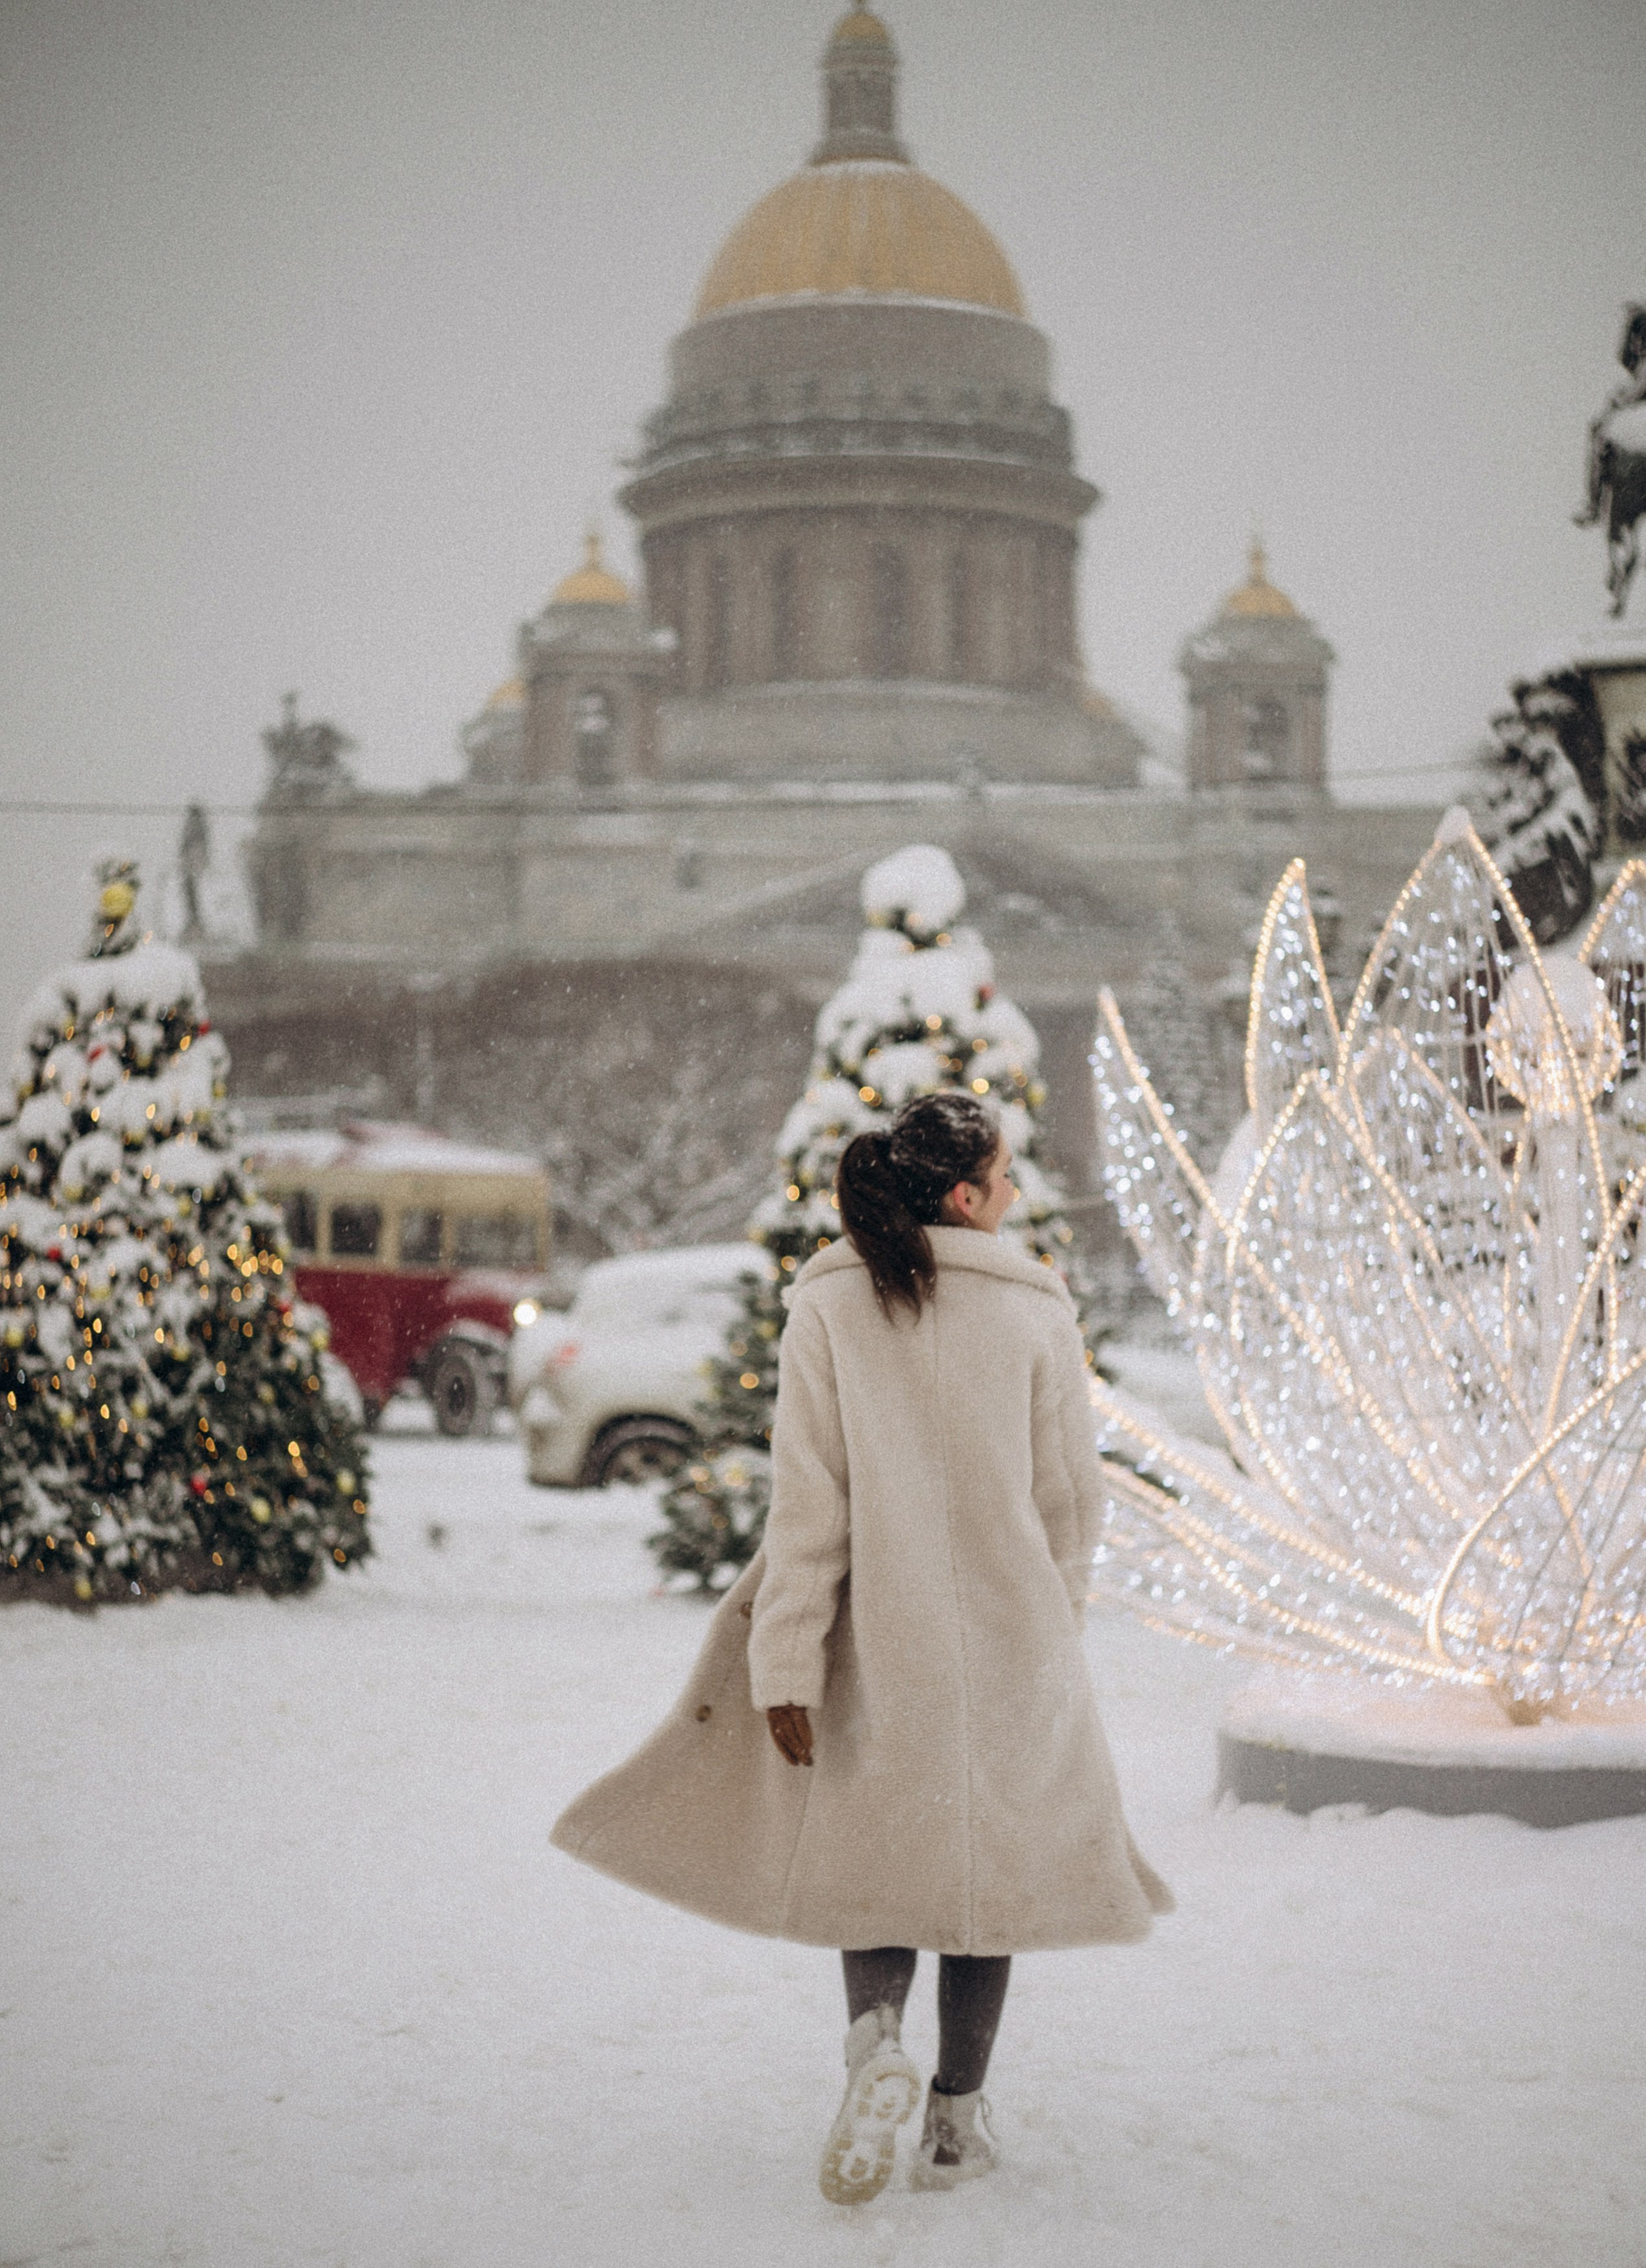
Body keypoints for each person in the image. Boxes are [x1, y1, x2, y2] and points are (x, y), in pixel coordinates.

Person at [551, 1091, 1171, 2204]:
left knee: (880, 1866)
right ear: (963, 1194)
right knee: (991, 1881)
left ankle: (873, 2049)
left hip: (872, 1634)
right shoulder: (1034, 1309)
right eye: (1006, 1174)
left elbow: (809, 1506)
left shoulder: (830, 1304)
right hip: (1011, 1633)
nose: (1019, 1191)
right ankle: (951, 2125)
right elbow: (1072, 1501)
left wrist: (786, 1663)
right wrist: (1051, 1614)